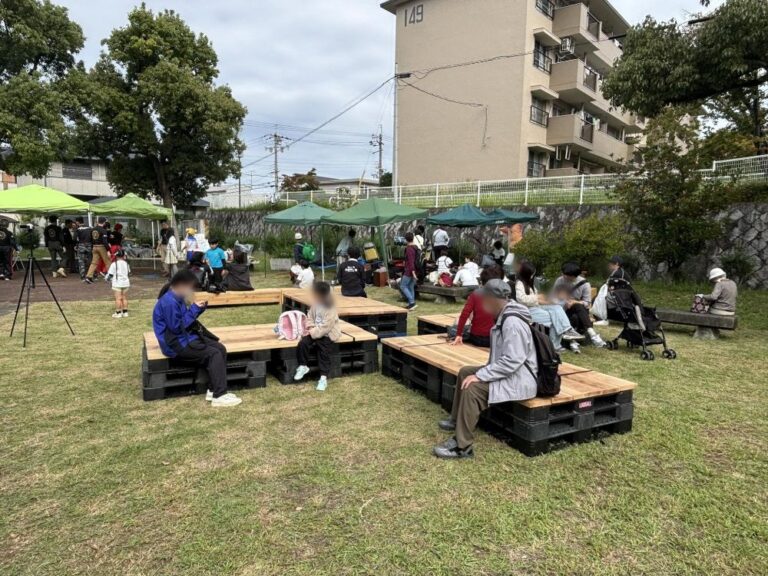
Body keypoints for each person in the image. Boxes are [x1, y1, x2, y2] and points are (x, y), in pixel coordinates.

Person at [434, 279, 538, 459]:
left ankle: (462, 447)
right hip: (511, 373)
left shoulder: (512, 322)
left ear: (493, 299)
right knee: (466, 372)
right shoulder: (503, 315)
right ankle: (456, 420)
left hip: (520, 379)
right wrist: (482, 373)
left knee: (473, 388)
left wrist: (482, 375)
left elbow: (513, 360)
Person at [152, 270, 242, 407]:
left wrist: (197, 309)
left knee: (220, 348)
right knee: (214, 354)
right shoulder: (169, 302)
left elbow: (182, 322)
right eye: (190, 287)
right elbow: (177, 328)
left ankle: (214, 389)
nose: (191, 291)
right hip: (175, 345)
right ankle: (219, 396)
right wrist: (194, 309)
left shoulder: (177, 298)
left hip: (184, 338)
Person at [515, 260, 584, 353]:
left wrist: (548, 302)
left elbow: (538, 300)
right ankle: (555, 345)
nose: (533, 275)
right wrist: (537, 296)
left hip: (536, 307)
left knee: (557, 308)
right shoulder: (519, 283)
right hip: (527, 310)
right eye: (532, 273)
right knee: (554, 318)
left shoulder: (530, 283)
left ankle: (568, 330)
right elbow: (521, 299)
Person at [293, 281, 341, 391]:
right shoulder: (315, 305)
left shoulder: (330, 308)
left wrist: (312, 332)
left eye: (314, 293)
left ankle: (323, 378)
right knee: (303, 343)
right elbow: (309, 317)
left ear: (321, 294)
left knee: (323, 349)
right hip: (315, 331)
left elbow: (326, 327)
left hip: (328, 333)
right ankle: (303, 366)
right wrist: (311, 328)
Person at [551, 262, 607, 348]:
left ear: (574, 276)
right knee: (574, 314)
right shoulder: (560, 280)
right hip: (563, 308)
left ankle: (584, 336)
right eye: (563, 274)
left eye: (567, 275)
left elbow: (587, 303)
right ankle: (592, 335)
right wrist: (563, 299)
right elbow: (552, 297)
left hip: (579, 310)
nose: (564, 276)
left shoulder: (584, 284)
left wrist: (574, 302)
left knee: (577, 309)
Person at [452, 266, 503, 348]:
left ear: (482, 281)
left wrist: (458, 334)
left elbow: (464, 314)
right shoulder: (502, 296)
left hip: (476, 338)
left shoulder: (475, 294)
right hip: (494, 339)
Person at [85, 217, 111, 284]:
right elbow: (105, 241)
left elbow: (90, 239)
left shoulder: (93, 229)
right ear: (104, 222)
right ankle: (110, 276)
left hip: (94, 246)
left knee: (94, 263)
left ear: (98, 221)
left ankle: (88, 276)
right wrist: (108, 250)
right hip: (102, 247)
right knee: (107, 261)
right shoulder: (103, 230)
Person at [106, 249, 130, 318]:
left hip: (117, 283)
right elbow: (128, 272)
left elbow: (110, 275)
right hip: (126, 283)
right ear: (123, 256)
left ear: (116, 256)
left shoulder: (114, 264)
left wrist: (107, 279)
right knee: (124, 298)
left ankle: (118, 313)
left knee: (118, 298)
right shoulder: (126, 264)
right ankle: (125, 312)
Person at [399, 232, 418, 311]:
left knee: (403, 286)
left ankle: (412, 302)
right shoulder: (416, 247)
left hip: (409, 270)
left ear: (406, 239)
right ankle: (411, 304)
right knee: (410, 286)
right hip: (415, 269)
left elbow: (411, 261)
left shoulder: (409, 249)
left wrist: (413, 272)